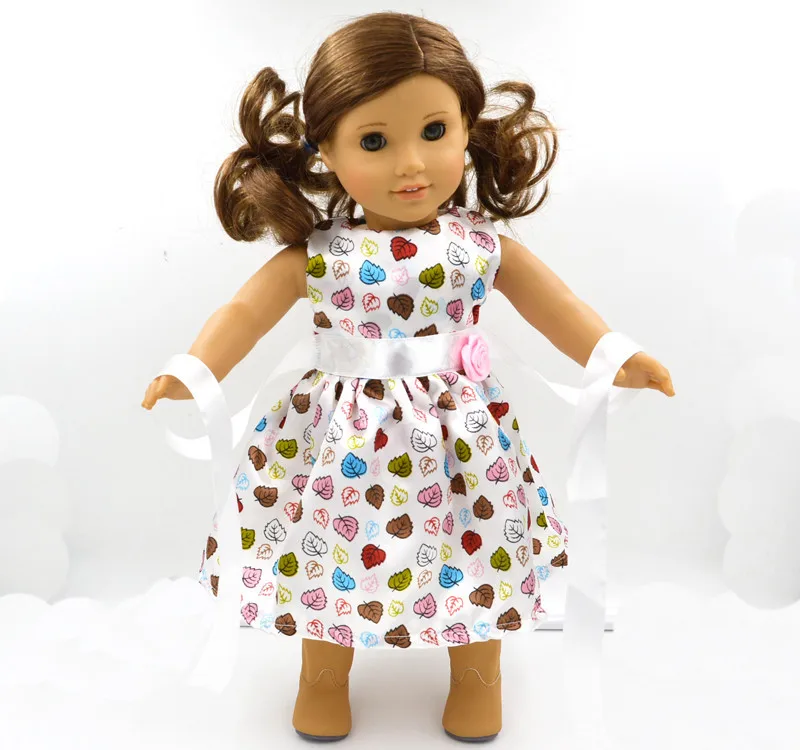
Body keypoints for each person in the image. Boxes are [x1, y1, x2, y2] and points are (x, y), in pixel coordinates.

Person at [141, 11, 674, 743]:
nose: (410, 164)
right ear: (325, 149)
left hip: (459, 439)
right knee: (328, 546)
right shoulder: (318, 255)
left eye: (434, 131)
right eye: (374, 142)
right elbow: (244, 312)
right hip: (337, 440)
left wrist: (616, 355)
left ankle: (478, 678)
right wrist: (194, 369)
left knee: (475, 545)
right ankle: (322, 677)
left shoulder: (480, 245)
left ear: (467, 129)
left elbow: (558, 305)